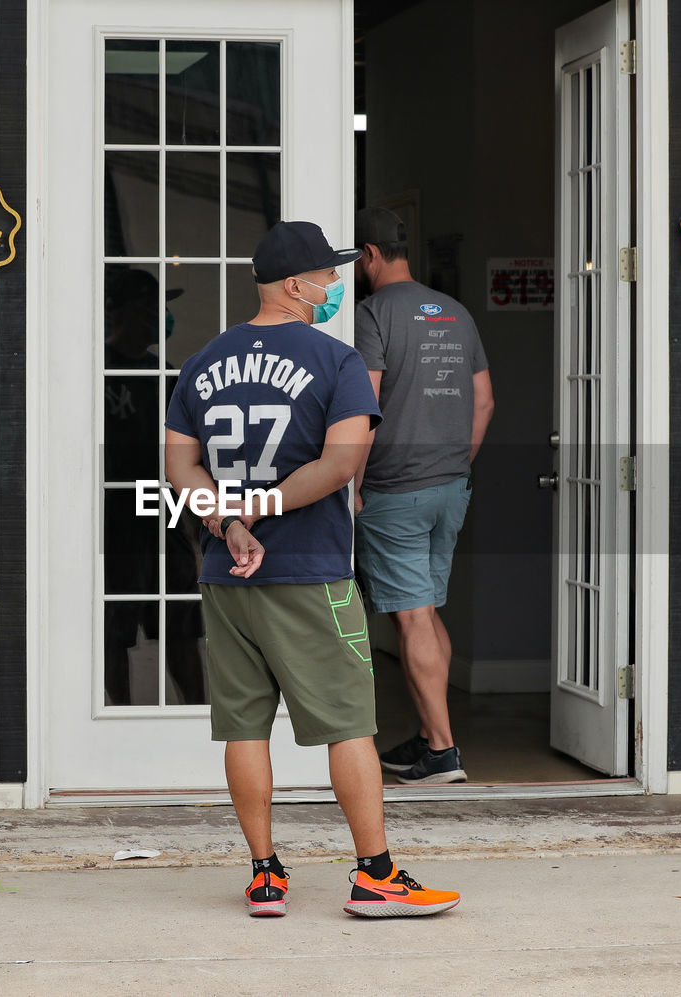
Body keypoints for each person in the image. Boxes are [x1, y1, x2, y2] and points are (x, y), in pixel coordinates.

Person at [164, 220, 460, 918]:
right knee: (350, 720)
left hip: (225, 573)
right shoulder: (336, 361)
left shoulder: (204, 361)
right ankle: (375, 874)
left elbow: (179, 462)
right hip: (309, 571)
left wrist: (228, 521)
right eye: (326, 277)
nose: (334, 286)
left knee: (243, 725)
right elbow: (342, 462)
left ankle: (265, 873)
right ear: (295, 285)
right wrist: (260, 512)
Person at [351, 206, 495, 785]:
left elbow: (365, 407)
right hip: (448, 487)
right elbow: (484, 402)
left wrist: (351, 487)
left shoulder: (373, 313)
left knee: (410, 618)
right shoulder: (455, 313)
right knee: (426, 612)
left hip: (395, 490)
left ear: (369, 254)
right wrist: (457, 465)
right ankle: (430, 740)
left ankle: (442, 750)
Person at [103, 267, 206, 706]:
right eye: (150, 308)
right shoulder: (98, 371)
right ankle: (119, 721)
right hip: (115, 517)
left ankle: (200, 715)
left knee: (180, 623)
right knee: (115, 628)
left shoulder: (164, 374)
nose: (160, 318)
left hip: (163, 509)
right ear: (121, 312)